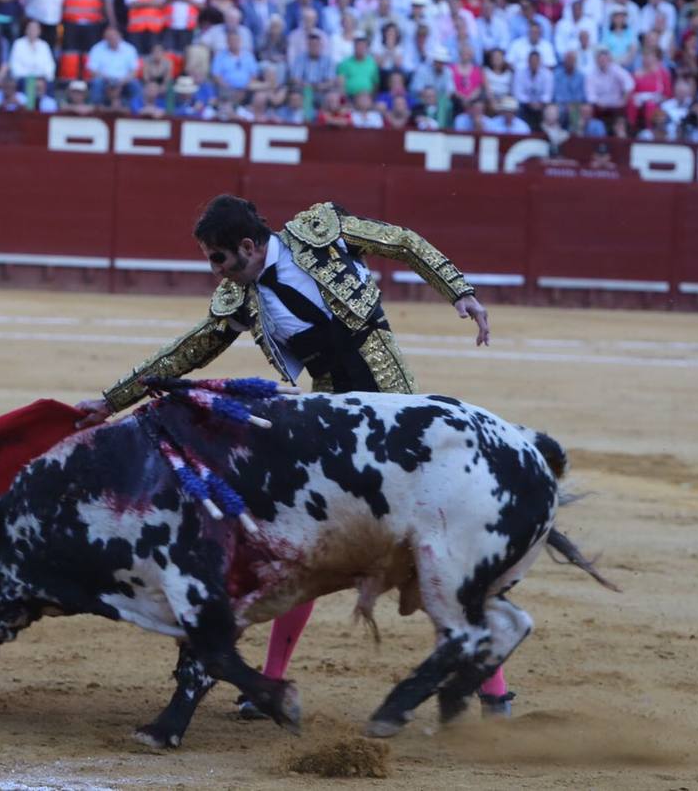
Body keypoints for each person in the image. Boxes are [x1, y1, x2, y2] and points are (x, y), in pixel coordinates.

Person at [74, 195, 509, 719]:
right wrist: (111, 399)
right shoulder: (241, 299)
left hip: (394, 404)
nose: (214, 272)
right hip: (331, 413)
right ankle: (273, 684)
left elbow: (403, 242)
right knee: (307, 538)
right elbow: (186, 350)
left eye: (218, 258)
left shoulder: (319, 233)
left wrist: (458, 291)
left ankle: (492, 690)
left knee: (433, 538)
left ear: (249, 246)